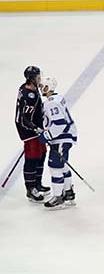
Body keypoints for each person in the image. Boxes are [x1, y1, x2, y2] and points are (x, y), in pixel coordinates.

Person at [39, 77, 78, 210]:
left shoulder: (51, 103)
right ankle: (68, 193)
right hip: (64, 136)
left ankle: (58, 197)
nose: (40, 88)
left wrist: (46, 135)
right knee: (62, 166)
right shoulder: (57, 98)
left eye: (43, 86)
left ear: (48, 87)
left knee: (55, 166)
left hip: (61, 137)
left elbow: (59, 123)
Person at [16, 66, 49, 203]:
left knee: (42, 154)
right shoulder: (29, 95)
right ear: (31, 79)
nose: (39, 79)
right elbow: (24, 118)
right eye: (37, 77)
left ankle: (37, 183)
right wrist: (35, 128)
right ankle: (30, 189)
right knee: (32, 158)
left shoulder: (29, 88)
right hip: (29, 131)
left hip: (36, 129)